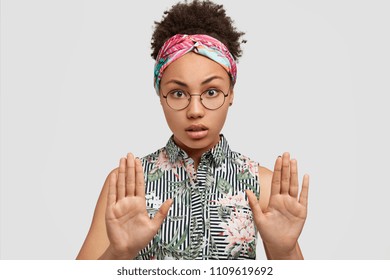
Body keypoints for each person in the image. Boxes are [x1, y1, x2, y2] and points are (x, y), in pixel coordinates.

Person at [76, 0, 309, 260]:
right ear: (160, 94)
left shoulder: (262, 185)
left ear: (231, 93)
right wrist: (119, 252)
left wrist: (284, 250)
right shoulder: (126, 185)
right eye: (178, 93)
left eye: (211, 92)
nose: (195, 110)